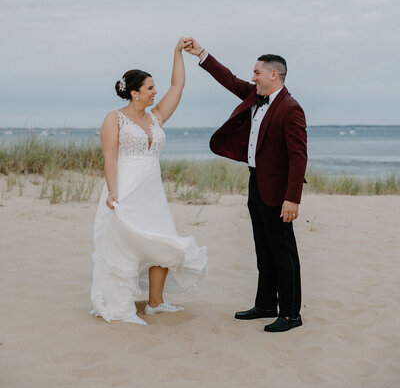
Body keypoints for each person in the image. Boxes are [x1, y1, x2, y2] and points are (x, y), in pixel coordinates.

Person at [185, 38, 307, 333]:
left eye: (257, 72)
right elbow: (227, 78)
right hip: (256, 182)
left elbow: (298, 156)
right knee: (263, 250)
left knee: (283, 252)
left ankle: (291, 315)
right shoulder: (255, 96)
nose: (252, 77)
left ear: (273, 75)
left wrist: (293, 199)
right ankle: (266, 304)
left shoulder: (291, 108)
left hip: (279, 192)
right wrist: (201, 54)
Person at [90, 37, 208, 325]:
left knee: (162, 243)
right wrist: (113, 192)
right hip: (126, 190)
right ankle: (119, 305)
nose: (156, 92)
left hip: (152, 192)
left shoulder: (156, 117)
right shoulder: (114, 119)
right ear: (134, 93)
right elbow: (110, 158)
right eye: (150, 88)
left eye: (155, 87)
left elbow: (177, 87)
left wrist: (178, 52)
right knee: (124, 245)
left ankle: (155, 303)